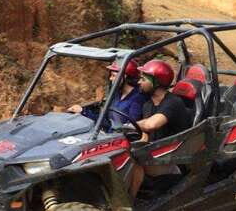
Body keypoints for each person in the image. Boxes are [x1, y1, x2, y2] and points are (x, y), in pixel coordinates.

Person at [127, 59, 194, 198]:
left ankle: (128, 205)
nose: (139, 82)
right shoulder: (148, 104)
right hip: (156, 155)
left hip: (174, 158)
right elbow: (145, 134)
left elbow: (152, 124)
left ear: (156, 82)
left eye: (143, 79)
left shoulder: (173, 102)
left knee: (133, 163)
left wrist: (128, 125)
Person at [67, 59, 147, 128]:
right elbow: (106, 119)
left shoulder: (138, 98)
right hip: (108, 132)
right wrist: (83, 111)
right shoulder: (116, 93)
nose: (110, 78)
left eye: (113, 76)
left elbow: (127, 128)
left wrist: (84, 112)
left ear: (125, 77)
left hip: (119, 138)